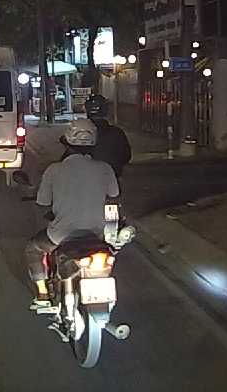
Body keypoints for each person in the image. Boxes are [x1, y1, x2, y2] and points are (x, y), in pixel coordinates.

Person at [24, 119, 120, 306]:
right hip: (96, 234)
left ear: (66, 143)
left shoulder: (54, 170)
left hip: (61, 235)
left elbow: (43, 202)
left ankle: (43, 295)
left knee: (33, 248)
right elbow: (114, 195)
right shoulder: (105, 168)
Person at [85, 94, 132, 177]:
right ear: (106, 110)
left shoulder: (79, 133)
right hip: (111, 176)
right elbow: (126, 156)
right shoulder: (117, 133)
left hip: (86, 177)